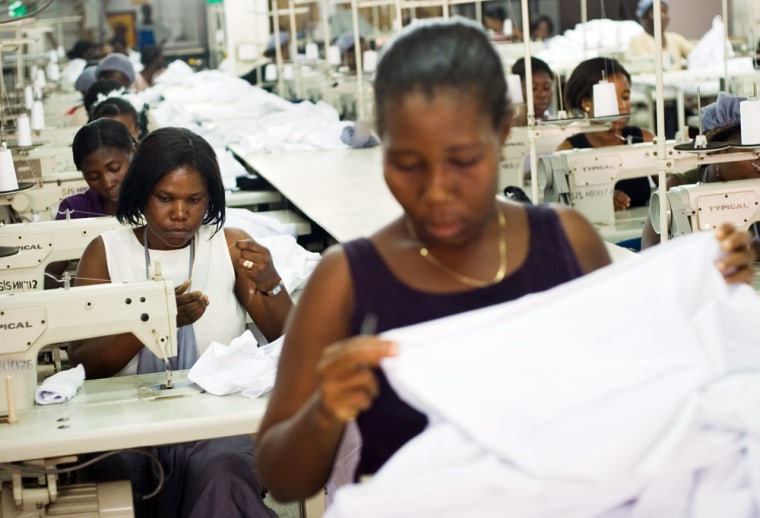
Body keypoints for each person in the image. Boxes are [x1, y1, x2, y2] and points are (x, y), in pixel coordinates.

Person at [254, 18, 755, 503]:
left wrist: (694, 295)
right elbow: (281, 478)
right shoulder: (345, 281)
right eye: (407, 164)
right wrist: (325, 411)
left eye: (464, 161)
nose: (436, 190)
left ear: (503, 131)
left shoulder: (566, 243)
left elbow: (631, 385)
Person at [69, 127, 291, 517]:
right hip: (121, 425)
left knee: (224, 474)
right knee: (117, 479)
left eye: (194, 200)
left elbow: (287, 339)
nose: (179, 214)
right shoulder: (104, 253)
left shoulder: (228, 247)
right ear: (141, 193)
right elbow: (83, 366)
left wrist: (272, 283)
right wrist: (153, 322)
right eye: (165, 198)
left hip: (215, 424)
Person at [641, 93, 760, 251]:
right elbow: (649, 252)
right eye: (752, 153)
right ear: (717, 152)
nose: (759, 162)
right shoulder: (677, 189)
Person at [557, 57, 654, 211]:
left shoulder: (645, 141)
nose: (622, 106)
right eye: (611, 99)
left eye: (625, 97)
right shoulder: (567, 152)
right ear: (586, 103)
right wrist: (600, 198)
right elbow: (563, 207)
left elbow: (671, 184)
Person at [56, 118, 135, 220]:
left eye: (114, 169)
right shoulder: (73, 209)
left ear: (133, 153)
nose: (107, 183)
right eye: (94, 177)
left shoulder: (155, 198)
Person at [628, 0, 694, 71]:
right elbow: (650, 67)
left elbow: (697, 54)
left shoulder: (675, 38)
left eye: (665, 12)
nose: (664, 16)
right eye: (659, 12)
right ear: (644, 17)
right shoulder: (638, 41)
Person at [510, 56, 555, 126]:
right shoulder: (505, 129)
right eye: (533, 88)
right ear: (517, 89)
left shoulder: (557, 126)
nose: (542, 94)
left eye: (546, 88)